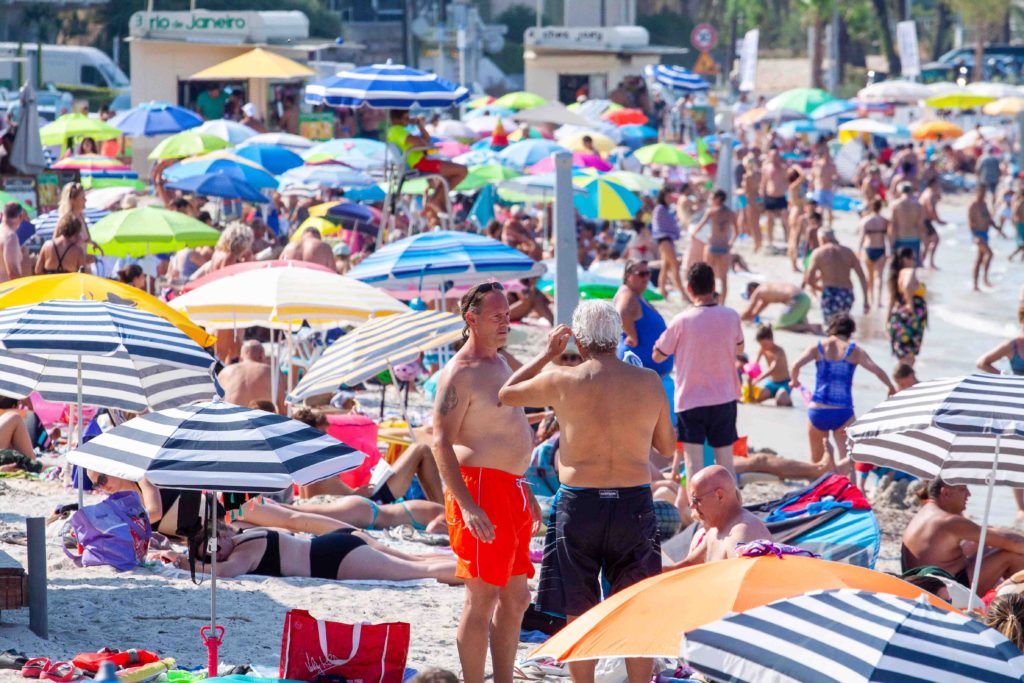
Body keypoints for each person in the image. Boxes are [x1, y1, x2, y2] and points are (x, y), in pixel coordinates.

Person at [498, 301, 675, 683]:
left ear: (579, 338)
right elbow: (667, 446)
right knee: (636, 605)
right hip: (633, 503)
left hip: (580, 504)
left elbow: (506, 393)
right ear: (617, 337)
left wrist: (548, 353)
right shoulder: (648, 382)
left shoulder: (562, 380)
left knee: (579, 606)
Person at [431, 282, 540, 683]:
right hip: (478, 489)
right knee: (482, 596)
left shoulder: (501, 362)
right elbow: (439, 441)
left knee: (517, 597)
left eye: (507, 315)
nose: (505, 323)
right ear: (471, 319)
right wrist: (466, 504)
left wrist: (523, 485)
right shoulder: (460, 372)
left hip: (510, 489)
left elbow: (506, 426)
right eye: (496, 316)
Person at [653, 263, 744, 479]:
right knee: (725, 463)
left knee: (694, 464)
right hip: (724, 397)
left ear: (689, 288)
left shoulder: (681, 320)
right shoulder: (731, 316)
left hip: (690, 399)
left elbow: (657, 354)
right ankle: (730, 508)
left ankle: (697, 512)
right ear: (713, 286)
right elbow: (739, 348)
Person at [163, 524, 459, 584]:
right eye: (208, 557)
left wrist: (190, 566)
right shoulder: (247, 532)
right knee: (416, 560)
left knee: (419, 571)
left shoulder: (245, 548)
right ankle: (472, 565)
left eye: (213, 549)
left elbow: (227, 572)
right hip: (336, 542)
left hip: (333, 559)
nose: (216, 557)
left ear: (223, 534)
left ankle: (477, 572)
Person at [790, 314, 895, 473]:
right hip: (843, 412)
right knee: (847, 462)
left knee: (816, 462)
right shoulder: (854, 350)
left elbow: (795, 365)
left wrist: (794, 381)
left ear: (831, 329)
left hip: (818, 409)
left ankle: (818, 490)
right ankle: (841, 491)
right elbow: (877, 370)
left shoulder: (818, 347)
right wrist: (890, 387)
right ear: (850, 332)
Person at [902, 479, 1024, 596]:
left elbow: (943, 554)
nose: (969, 494)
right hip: (945, 589)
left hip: (924, 583)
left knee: (989, 545)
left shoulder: (927, 514)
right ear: (945, 493)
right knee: (1013, 554)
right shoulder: (947, 521)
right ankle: (1017, 603)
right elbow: (1012, 542)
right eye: (963, 489)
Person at [668, 465, 770, 568]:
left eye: (696, 500)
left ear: (719, 495)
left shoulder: (743, 531)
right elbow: (688, 565)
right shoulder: (715, 530)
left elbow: (739, 578)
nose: (692, 505)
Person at [976, 307, 1024, 521]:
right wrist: (1005, 376)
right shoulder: (1012, 345)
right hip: (1016, 404)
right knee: (1017, 454)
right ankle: (1020, 507)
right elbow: (982, 362)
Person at [387, 110, 467, 215]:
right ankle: (436, 200)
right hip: (420, 163)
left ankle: (436, 199)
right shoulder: (396, 130)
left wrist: (420, 126)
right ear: (396, 119)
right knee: (462, 171)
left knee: (457, 173)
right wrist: (421, 140)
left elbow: (426, 140)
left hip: (423, 161)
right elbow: (421, 142)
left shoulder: (400, 130)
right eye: (406, 118)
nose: (408, 121)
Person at [614, 260, 673, 376]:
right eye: (641, 274)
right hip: (639, 371)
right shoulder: (628, 295)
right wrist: (632, 335)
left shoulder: (635, 295)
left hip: (646, 372)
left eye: (648, 273)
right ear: (628, 276)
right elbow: (622, 313)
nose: (646, 278)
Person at [803, 229, 870, 324]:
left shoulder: (818, 253)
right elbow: (862, 277)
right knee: (843, 326)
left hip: (829, 292)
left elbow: (809, 279)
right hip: (846, 293)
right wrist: (866, 300)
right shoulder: (848, 252)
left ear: (823, 238)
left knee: (830, 325)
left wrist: (819, 288)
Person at [218, 339, 285, 414]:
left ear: (242, 355)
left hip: (231, 420)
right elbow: (284, 410)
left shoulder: (225, 371)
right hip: (260, 421)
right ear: (261, 354)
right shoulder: (272, 372)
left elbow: (214, 403)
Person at [693, 189, 737, 301]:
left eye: (712, 198)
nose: (711, 200)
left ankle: (708, 300)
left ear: (718, 199)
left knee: (708, 276)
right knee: (723, 278)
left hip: (712, 246)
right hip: (724, 247)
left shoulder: (711, 212)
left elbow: (699, 226)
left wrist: (693, 234)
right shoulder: (731, 213)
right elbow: (737, 231)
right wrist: (731, 243)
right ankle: (722, 303)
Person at [887, 246, 928, 364]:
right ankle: (906, 382)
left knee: (905, 358)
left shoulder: (897, 275)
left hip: (902, 319)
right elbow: (907, 285)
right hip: (910, 320)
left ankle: (903, 381)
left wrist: (887, 321)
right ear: (905, 259)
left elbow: (891, 301)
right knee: (908, 359)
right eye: (913, 259)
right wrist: (910, 304)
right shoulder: (909, 271)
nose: (915, 262)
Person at [740, 281, 820, 334]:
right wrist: (749, 320)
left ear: (752, 289)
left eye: (749, 294)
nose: (750, 297)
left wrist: (737, 320)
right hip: (805, 298)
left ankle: (811, 327)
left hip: (796, 300)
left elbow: (748, 310)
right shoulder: (767, 290)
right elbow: (755, 312)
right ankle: (809, 326)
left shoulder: (758, 291)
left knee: (780, 327)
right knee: (796, 323)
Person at [749, 324, 793, 406]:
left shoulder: (779, 351)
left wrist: (758, 379)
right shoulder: (763, 349)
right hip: (771, 383)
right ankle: (774, 394)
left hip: (784, 383)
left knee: (780, 401)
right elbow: (755, 364)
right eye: (761, 344)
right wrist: (750, 375)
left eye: (765, 344)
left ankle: (788, 400)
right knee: (757, 399)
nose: (763, 347)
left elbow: (773, 369)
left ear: (771, 339)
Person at [651, 189, 683, 298]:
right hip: (664, 239)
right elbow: (663, 226)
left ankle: (662, 290)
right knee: (675, 265)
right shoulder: (660, 209)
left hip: (666, 239)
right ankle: (683, 293)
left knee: (665, 267)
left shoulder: (664, 209)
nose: (670, 199)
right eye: (668, 196)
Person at [857, 199, 889, 309]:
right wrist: (890, 251)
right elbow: (888, 238)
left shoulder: (865, 221)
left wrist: (858, 250)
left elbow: (861, 238)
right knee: (879, 276)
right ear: (881, 207)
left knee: (869, 276)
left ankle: (870, 298)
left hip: (868, 248)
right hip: (880, 248)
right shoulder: (885, 221)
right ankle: (878, 301)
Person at [968, 184, 999, 291]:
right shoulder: (973, 205)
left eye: (984, 191)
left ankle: (975, 285)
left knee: (979, 259)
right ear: (977, 191)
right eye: (981, 191)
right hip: (977, 234)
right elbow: (970, 222)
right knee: (990, 254)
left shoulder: (984, 204)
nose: (983, 194)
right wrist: (974, 236)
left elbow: (989, 219)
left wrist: (997, 228)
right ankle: (985, 279)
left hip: (985, 235)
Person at [888, 183, 927, 265]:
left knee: (898, 268)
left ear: (900, 192)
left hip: (900, 238)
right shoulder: (918, 205)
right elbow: (921, 226)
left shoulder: (895, 205)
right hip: (914, 238)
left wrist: (890, 246)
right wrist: (925, 245)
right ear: (912, 191)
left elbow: (892, 226)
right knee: (913, 269)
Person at [759, 147, 790, 247]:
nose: (775, 158)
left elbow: (789, 181)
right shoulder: (766, 168)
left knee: (784, 219)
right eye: (773, 156)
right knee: (770, 220)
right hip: (770, 196)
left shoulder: (784, 168)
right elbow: (764, 183)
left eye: (777, 155)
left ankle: (787, 239)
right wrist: (762, 197)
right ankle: (770, 241)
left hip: (781, 196)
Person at [919, 176, 945, 269]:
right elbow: (931, 209)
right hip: (925, 221)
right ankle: (930, 263)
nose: (939, 185)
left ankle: (922, 263)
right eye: (937, 184)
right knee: (936, 240)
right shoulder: (930, 194)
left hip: (922, 221)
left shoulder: (927, 192)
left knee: (927, 243)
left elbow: (938, 199)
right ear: (933, 184)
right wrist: (938, 220)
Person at [812, 146, 838, 228]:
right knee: (820, 210)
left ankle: (830, 227)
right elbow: (814, 177)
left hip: (829, 190)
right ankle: (819, 226)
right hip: (820, 190)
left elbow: (836, 178)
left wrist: (835, 186)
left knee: (830, 210)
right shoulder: (818, 164)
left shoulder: (832, 165)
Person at [0, 201, 23, 282]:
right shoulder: (10, 237)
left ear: (2, 215)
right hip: (5, 291)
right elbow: (13, 272)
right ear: (20, 217)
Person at [977, 146, 1004, 210]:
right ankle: (993, 206)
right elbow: (999, 169)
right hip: (994, 178)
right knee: (993, 193)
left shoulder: (982, 158)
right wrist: (999, 176)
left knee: (983, 193)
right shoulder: (995, 159)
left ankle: (982, 206)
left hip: (984, 178)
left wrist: (978, 177)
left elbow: (978, 169)